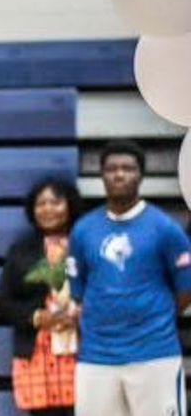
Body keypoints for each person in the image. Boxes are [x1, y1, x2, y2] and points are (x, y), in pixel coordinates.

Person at [68, 140, 191, 416]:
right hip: (96, 358)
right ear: (101, 175)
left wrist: (153, 317)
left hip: (155, 355)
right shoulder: (83, 230)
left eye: (128, 168)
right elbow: (78, 291)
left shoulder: (165, 228)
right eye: (112, 168)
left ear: (140, 175)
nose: (119, 174)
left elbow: (186, 289)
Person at [0, 177, 83, 416]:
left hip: (83, 352)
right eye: (41, 203)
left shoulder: (86, 244)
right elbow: (2, 303)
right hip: (37, 356)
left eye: (55, 202)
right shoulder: (21, 250)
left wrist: (82, 313)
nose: (47, 209)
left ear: (70, 205)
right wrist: (36, 317)